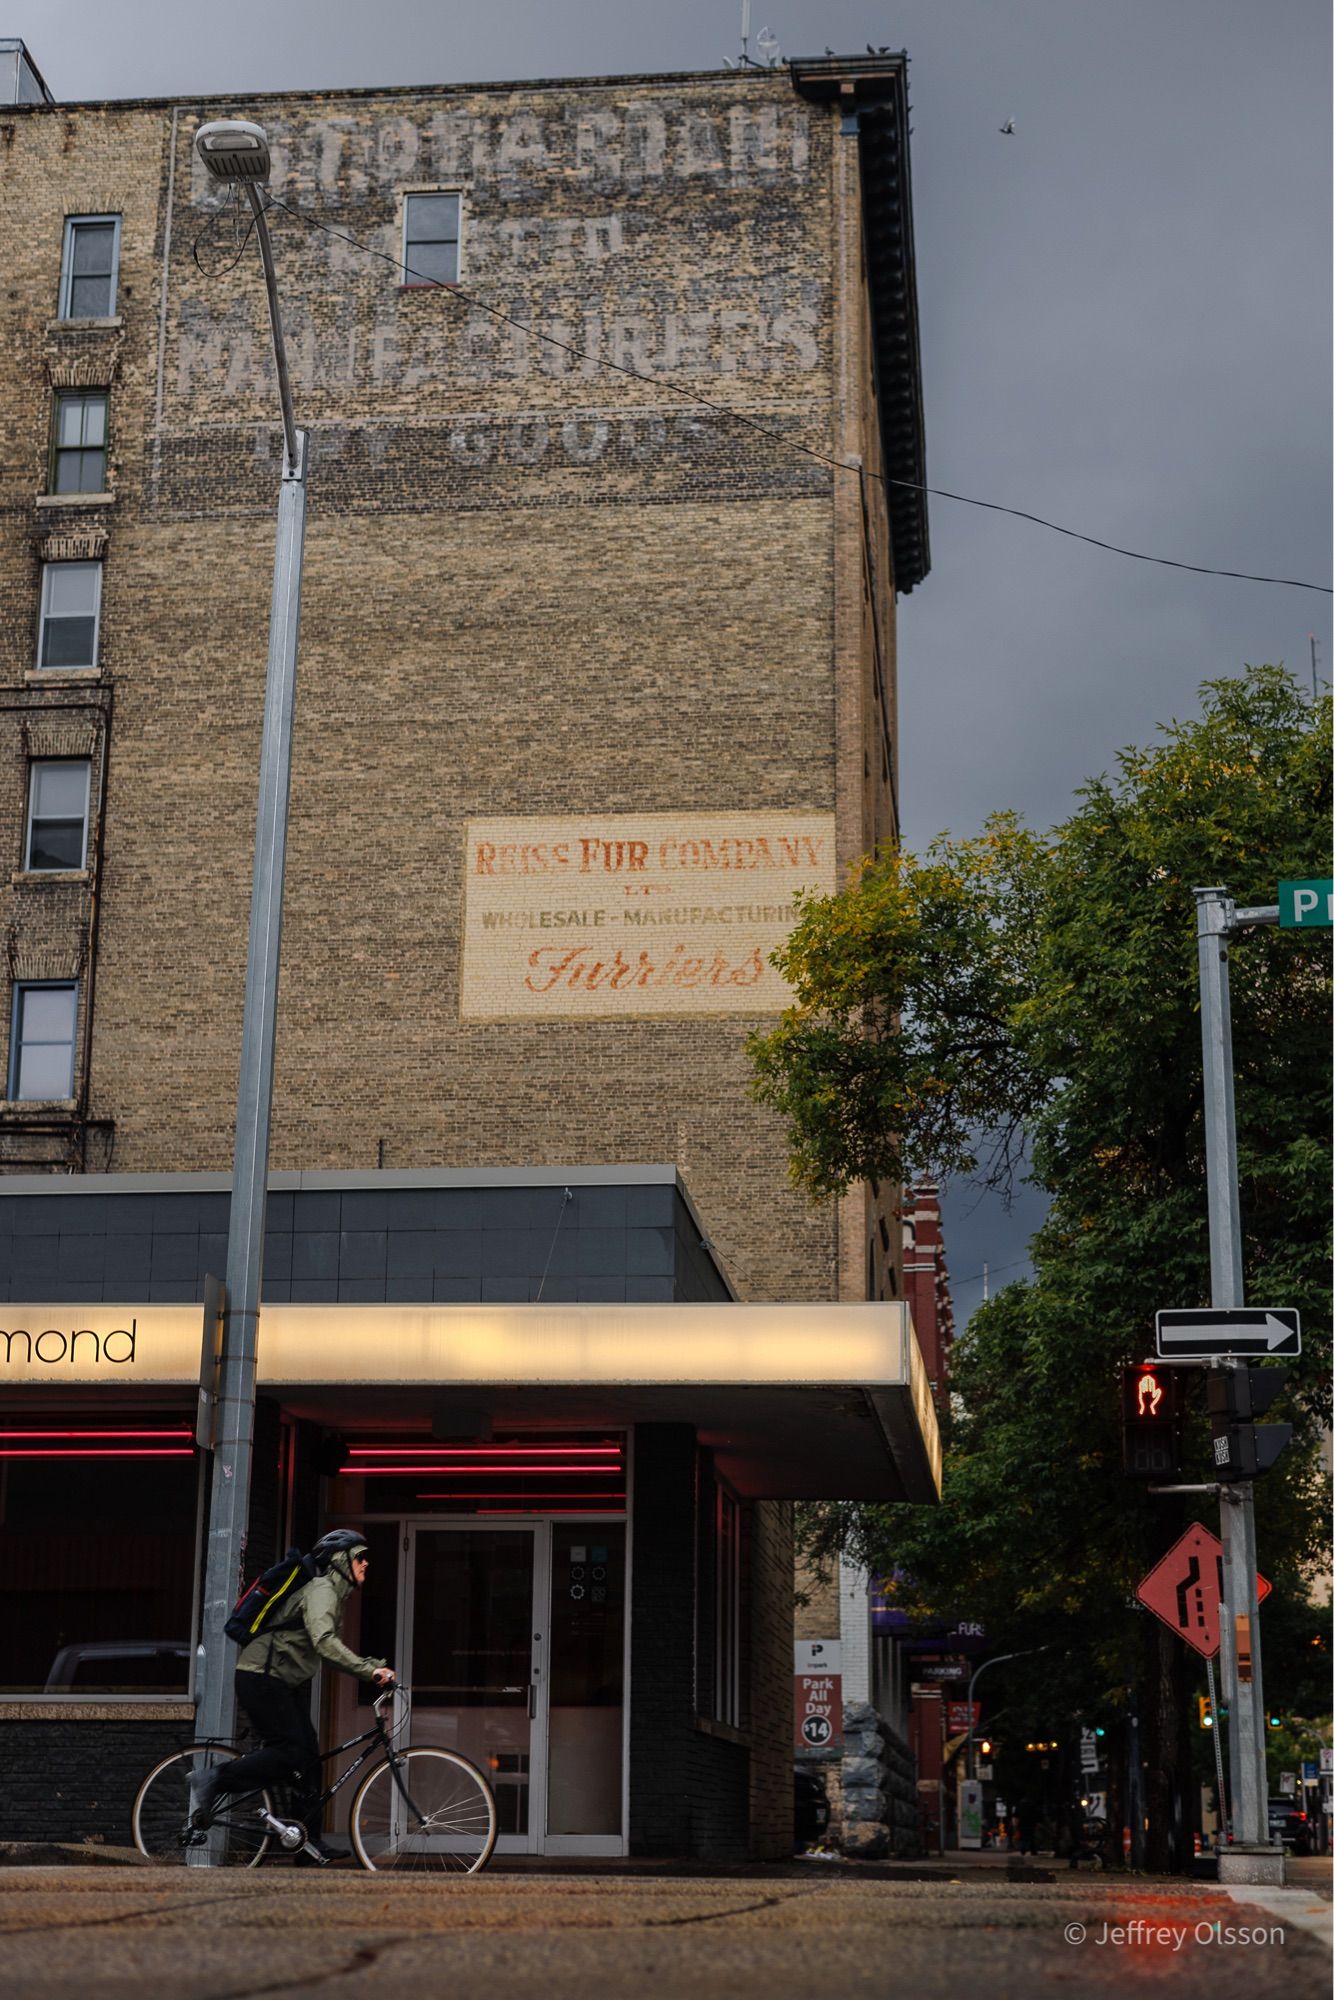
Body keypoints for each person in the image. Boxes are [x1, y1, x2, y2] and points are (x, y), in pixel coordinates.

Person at [193, 1528, 395, 1860]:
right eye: (360, 1557)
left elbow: (325, 1644)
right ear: (340, 1561)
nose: (366, 1563)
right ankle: (214, 1778)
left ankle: (308, 1844)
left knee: (308, 1760)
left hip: (280, 1682)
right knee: (289, 1751)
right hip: (262, 1678)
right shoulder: (321, 1591)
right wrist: (369, 1670)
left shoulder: (332, 1594)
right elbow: (325, 1643)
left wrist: (372, 1666)